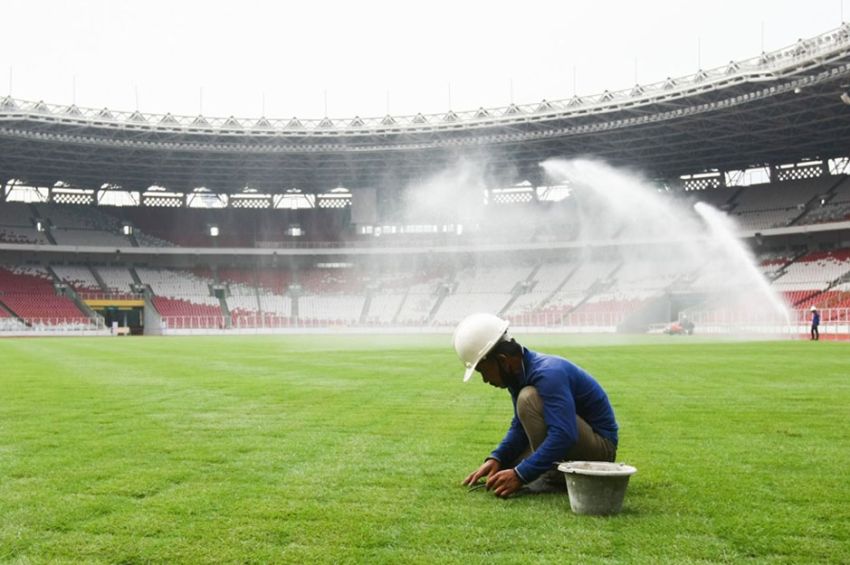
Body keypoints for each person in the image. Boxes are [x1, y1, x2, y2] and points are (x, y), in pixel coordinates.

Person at [454, 313, 619, 498]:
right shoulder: (519, 375)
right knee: (507, 465)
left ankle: (554, 476)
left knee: (528, 398)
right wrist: (497, 458)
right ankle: (550, 471)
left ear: (502, 360)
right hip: (577, 441)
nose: (485, 379)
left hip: (601, 452)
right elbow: (520, 427)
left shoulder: (548, 373)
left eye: (483, 371)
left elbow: (564, 434)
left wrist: (520, 475)